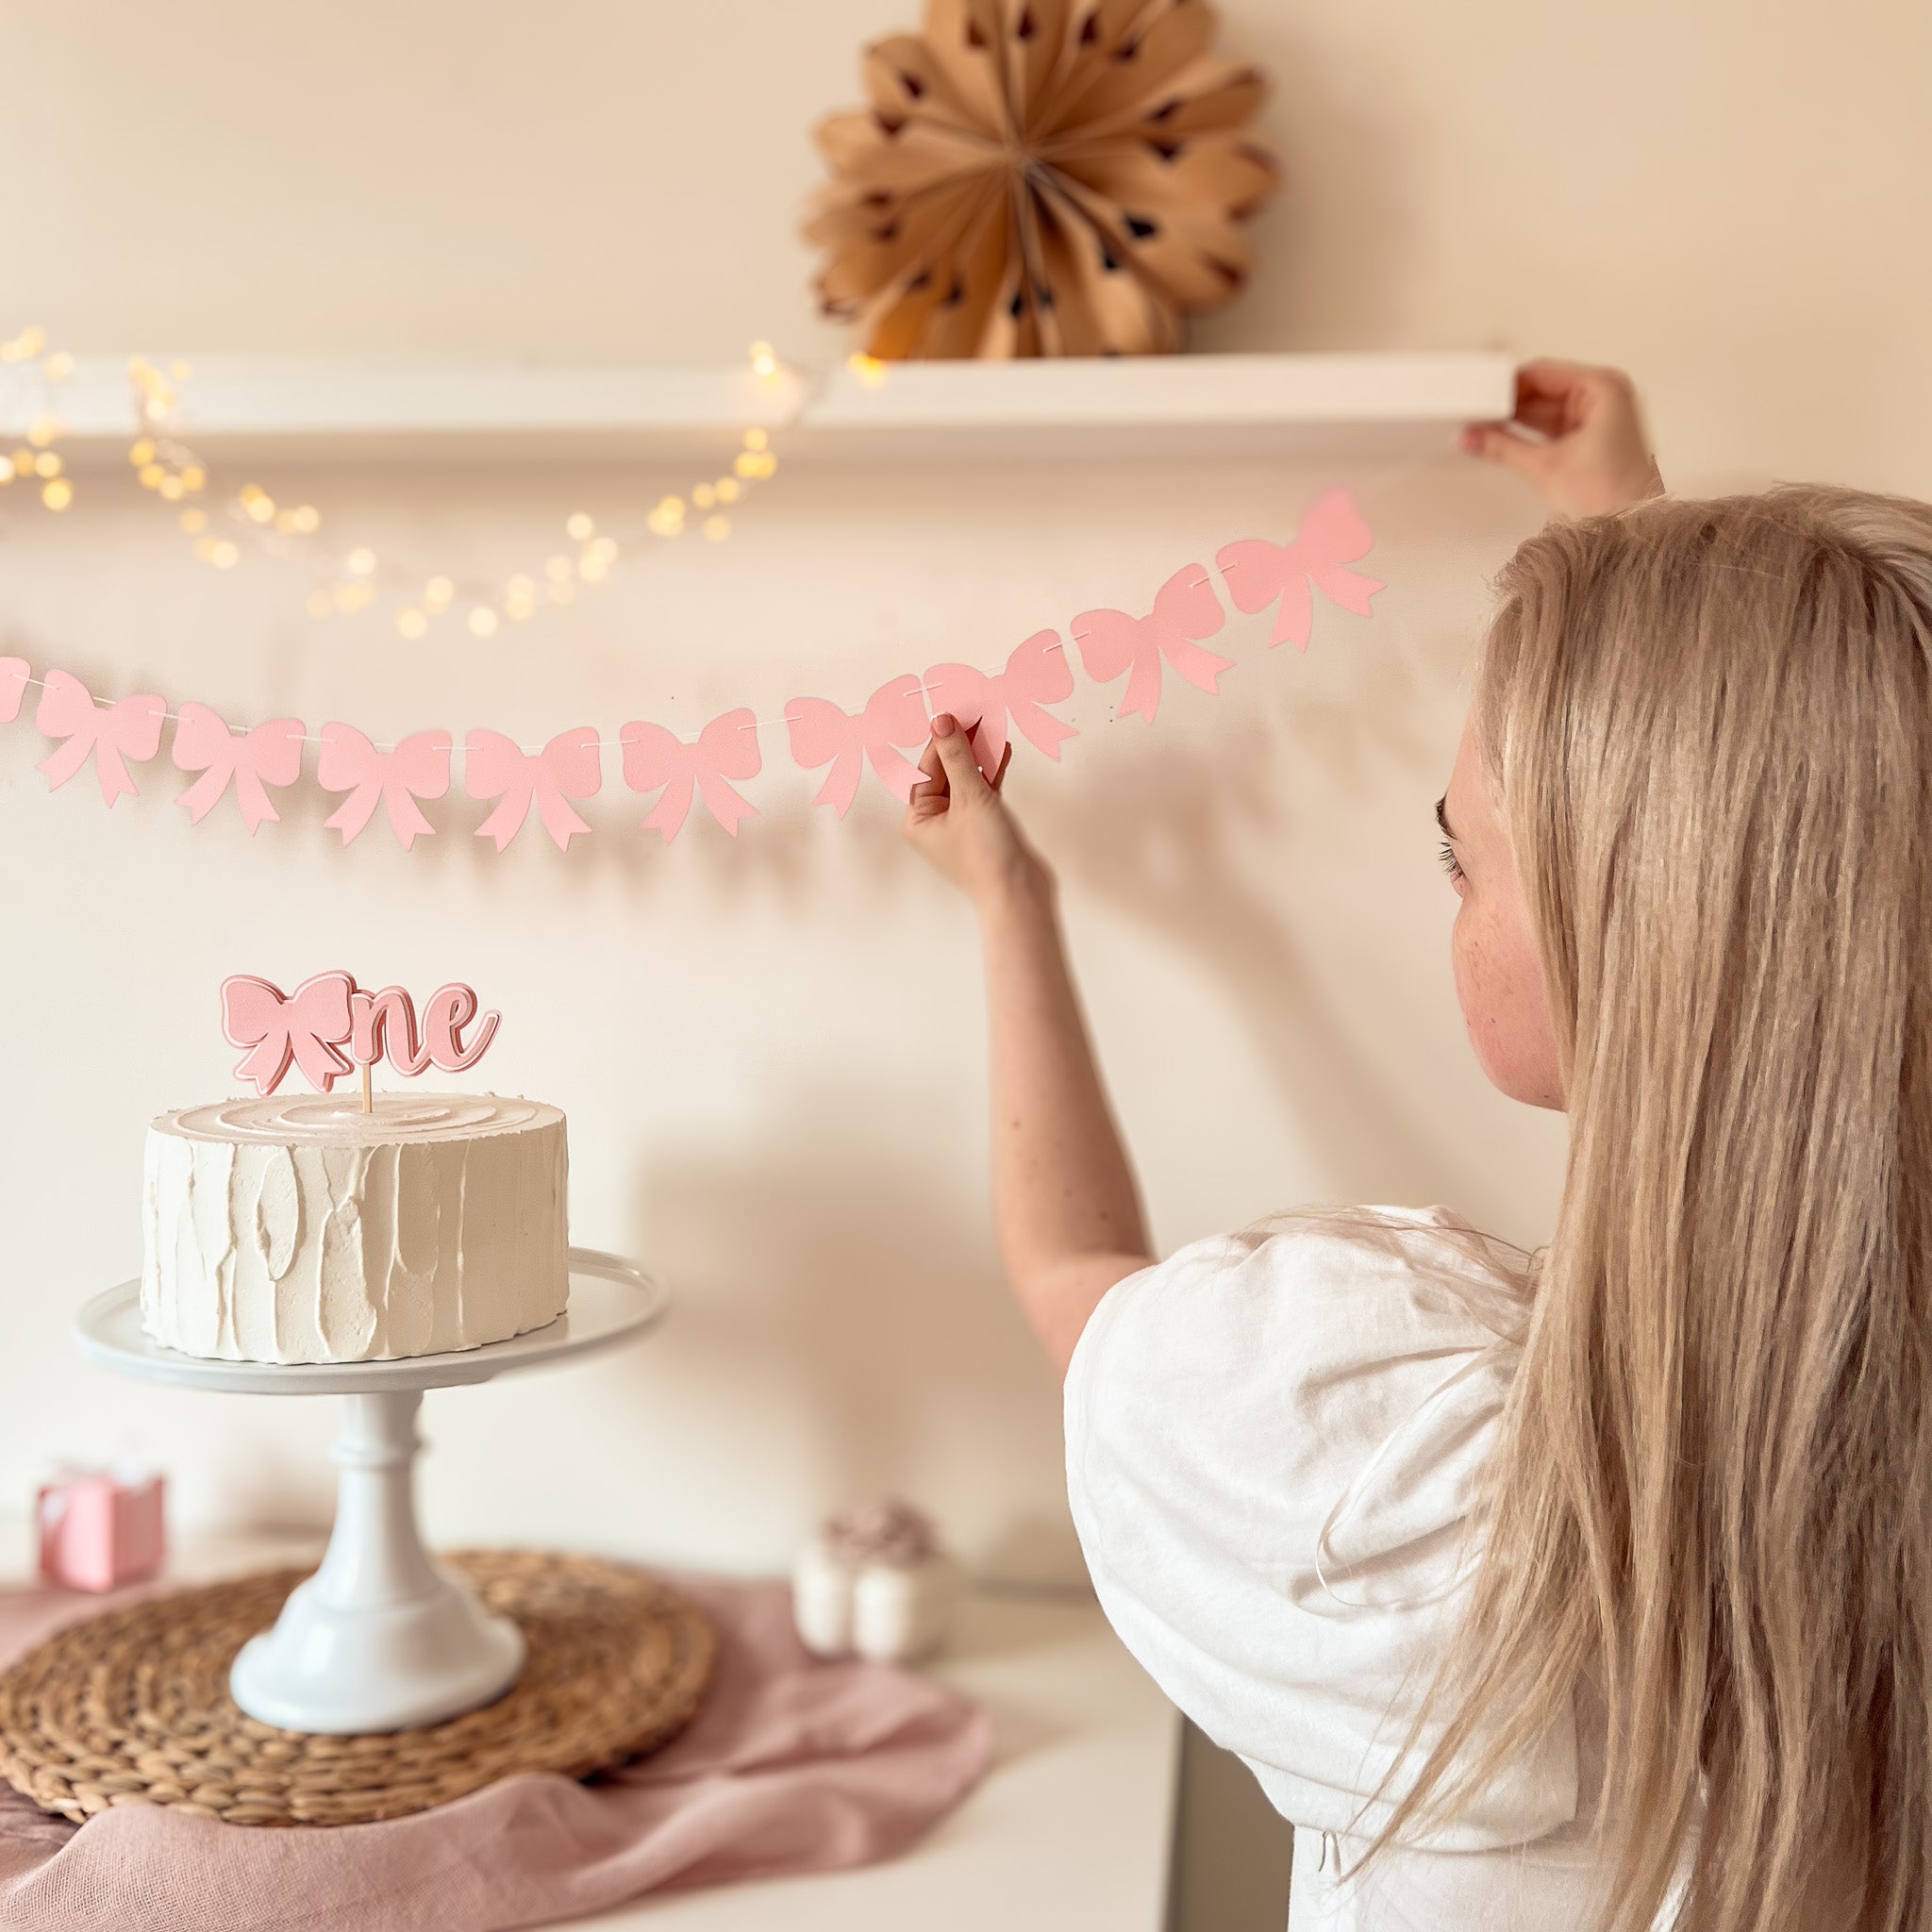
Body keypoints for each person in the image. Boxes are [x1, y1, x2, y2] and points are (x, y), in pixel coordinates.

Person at [904, 361, 1932, 1931]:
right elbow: (1807, 864)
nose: (1449, 886)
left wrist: (1006, 903)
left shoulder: (1410, 1495)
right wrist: (1624, 535)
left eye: (1461, 858)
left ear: (1628, 930)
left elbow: (1073, 1279)